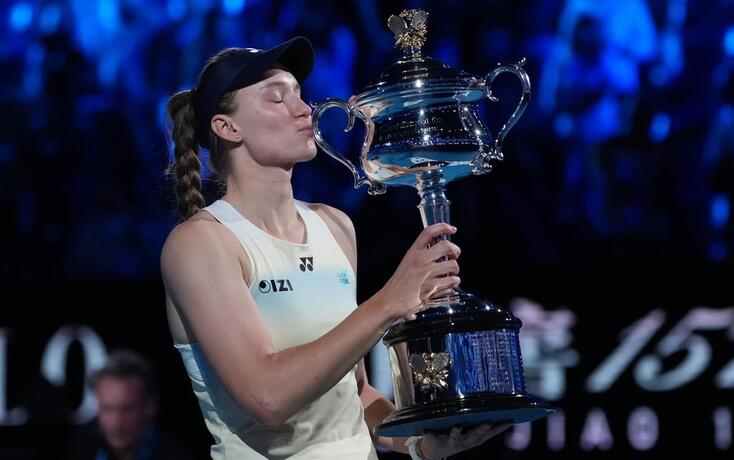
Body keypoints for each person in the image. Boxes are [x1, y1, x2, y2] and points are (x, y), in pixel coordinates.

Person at [160, 36, 510, 459]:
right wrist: (389, 302)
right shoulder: (200, 243)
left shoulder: (334, 225)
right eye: (277, 98)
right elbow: (267, 397)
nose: (304, 109)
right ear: (227, 128)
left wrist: (423, 445)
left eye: (299, 94)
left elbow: (355, 394)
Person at [67, 349, 195, 460]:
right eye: (108, 409)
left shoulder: (177, 455)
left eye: (127, 409)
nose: (116, 423)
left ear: (150, 406)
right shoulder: (79, 451)